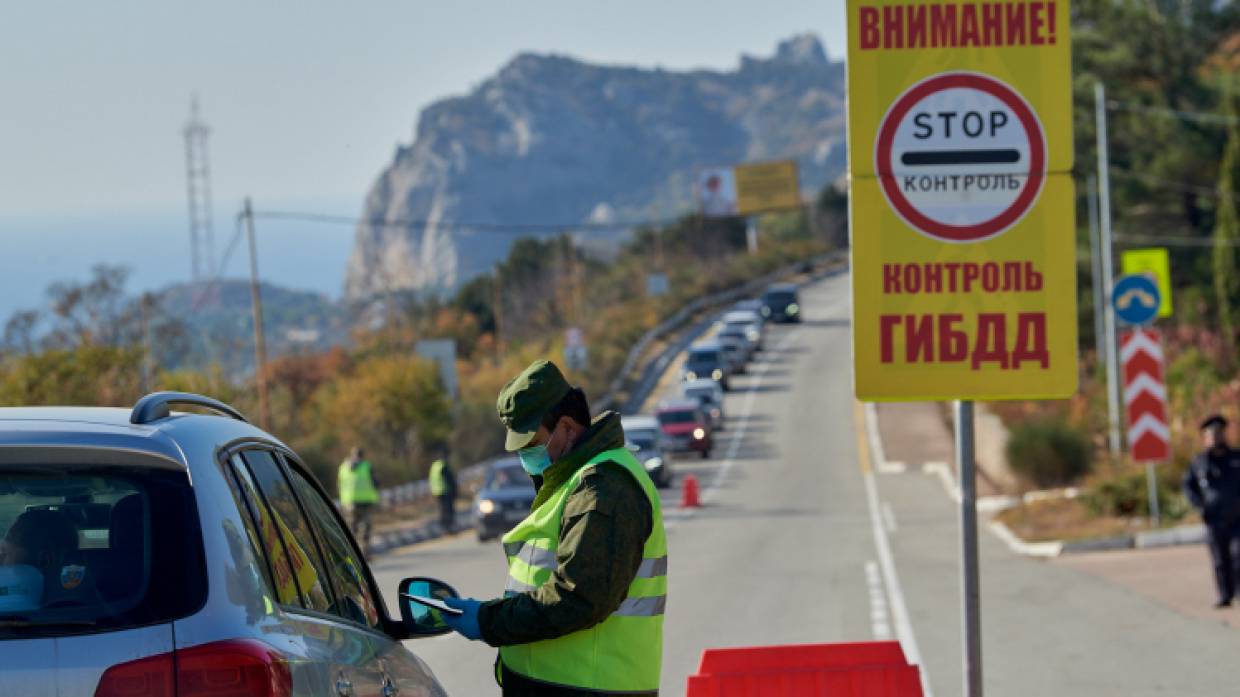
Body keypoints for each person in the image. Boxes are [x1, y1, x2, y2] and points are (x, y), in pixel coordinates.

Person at [439, 359, 668, 696]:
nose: (526, 456)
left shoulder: (602, 488)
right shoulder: (575, 481)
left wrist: (488, 621)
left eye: (532, 444)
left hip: (589, 687)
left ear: (567, 428)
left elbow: (579, 597)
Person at [1183, 414, 1240, 607]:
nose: (1216, 438)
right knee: (1219, 560)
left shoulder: (1236, 458)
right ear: (1205, 438)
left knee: (1238, 554)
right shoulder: (1199, 462)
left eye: (1219, 434)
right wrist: (1199, 505)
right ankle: (1225, 595)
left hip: (1237, 518)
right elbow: (1188, 486)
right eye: (1212, 435)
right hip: (1214, 519)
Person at [338, 446, 380, 554]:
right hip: (366, 502)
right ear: (362, 455)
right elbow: (376, 483)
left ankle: (352, 554)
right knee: (365, 528)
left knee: (352, 529)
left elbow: (339, 485)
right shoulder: (367, 466)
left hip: (348, 503)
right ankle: (365, 553)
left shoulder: (343, 467)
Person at [428, 448, 458, 532]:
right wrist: (455, 490)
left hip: (437, 492)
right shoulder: (443, 466)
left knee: (442, 510)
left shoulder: (435, 465)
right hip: (446, 491)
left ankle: (444, 527)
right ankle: (448, 528)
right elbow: (450, 479)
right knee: (448, 510)